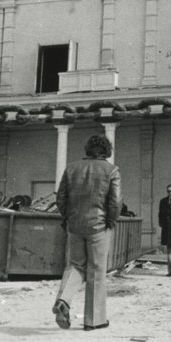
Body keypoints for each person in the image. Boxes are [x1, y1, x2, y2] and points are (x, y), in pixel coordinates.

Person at [53, 134, 121, 331]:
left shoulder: (71, 168)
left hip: (75, 225)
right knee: (96, 271)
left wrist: (68, 219)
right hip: (98, 226)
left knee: (75, 265)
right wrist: (110, 221)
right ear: (106, 151)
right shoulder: (111, 170)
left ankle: (63, 300)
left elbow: (61, 199)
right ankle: (94, 320)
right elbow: (115, 202)